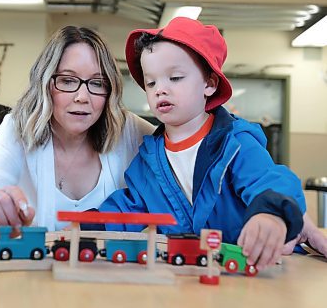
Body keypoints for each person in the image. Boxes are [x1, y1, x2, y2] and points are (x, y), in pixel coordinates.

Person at [96, 17, 326, 271]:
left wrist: (271, 213)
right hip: (193, 275)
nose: (160, 89)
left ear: (209, 84)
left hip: (256, 269)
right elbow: (128, 211)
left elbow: (271, 181)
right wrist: (87, 227)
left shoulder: (235, 144)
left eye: (175, 78)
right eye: (151, 83)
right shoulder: (147, 160)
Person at [0, 26, 155, 246]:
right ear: (45, 83)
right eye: (68, 81)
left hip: (109, 276)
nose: (82, 96)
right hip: (37, 276)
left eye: (97, 83)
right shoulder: (17, 127)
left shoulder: (128, 129)